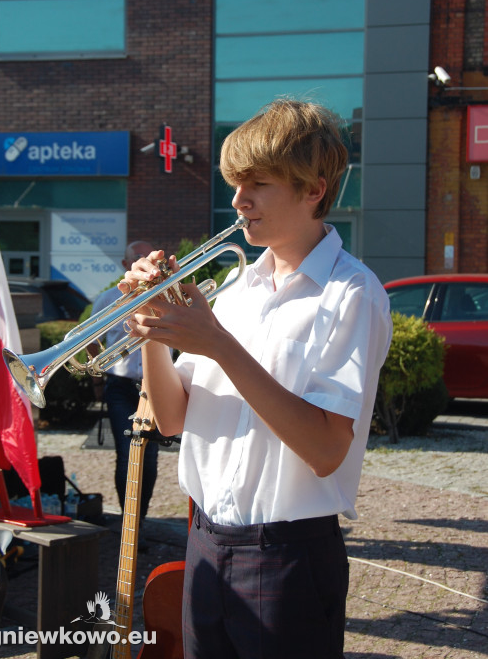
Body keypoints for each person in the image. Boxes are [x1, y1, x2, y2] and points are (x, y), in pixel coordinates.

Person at [121, 99, 393, 659]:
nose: (239, 201)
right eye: (235, 184)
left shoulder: (352, 294)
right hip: (204, 542)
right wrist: (151, 325)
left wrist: (218, 342)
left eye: (258, 184)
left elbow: (324, 450)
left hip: (287, 554)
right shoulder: (234, 287)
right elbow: (170, 419)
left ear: (314, 189)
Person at [90, 241, 159, 522]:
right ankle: (126, 521)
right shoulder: (108, 299)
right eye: (137, 258)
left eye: (147, 257)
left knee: (151, 458)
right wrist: (98, 374)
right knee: (126, 454)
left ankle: (139, 521)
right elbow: (91, 339)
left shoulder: (162, 297)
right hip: (119, 385)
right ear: (125, 264)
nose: (144, 261)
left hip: (152, 387)